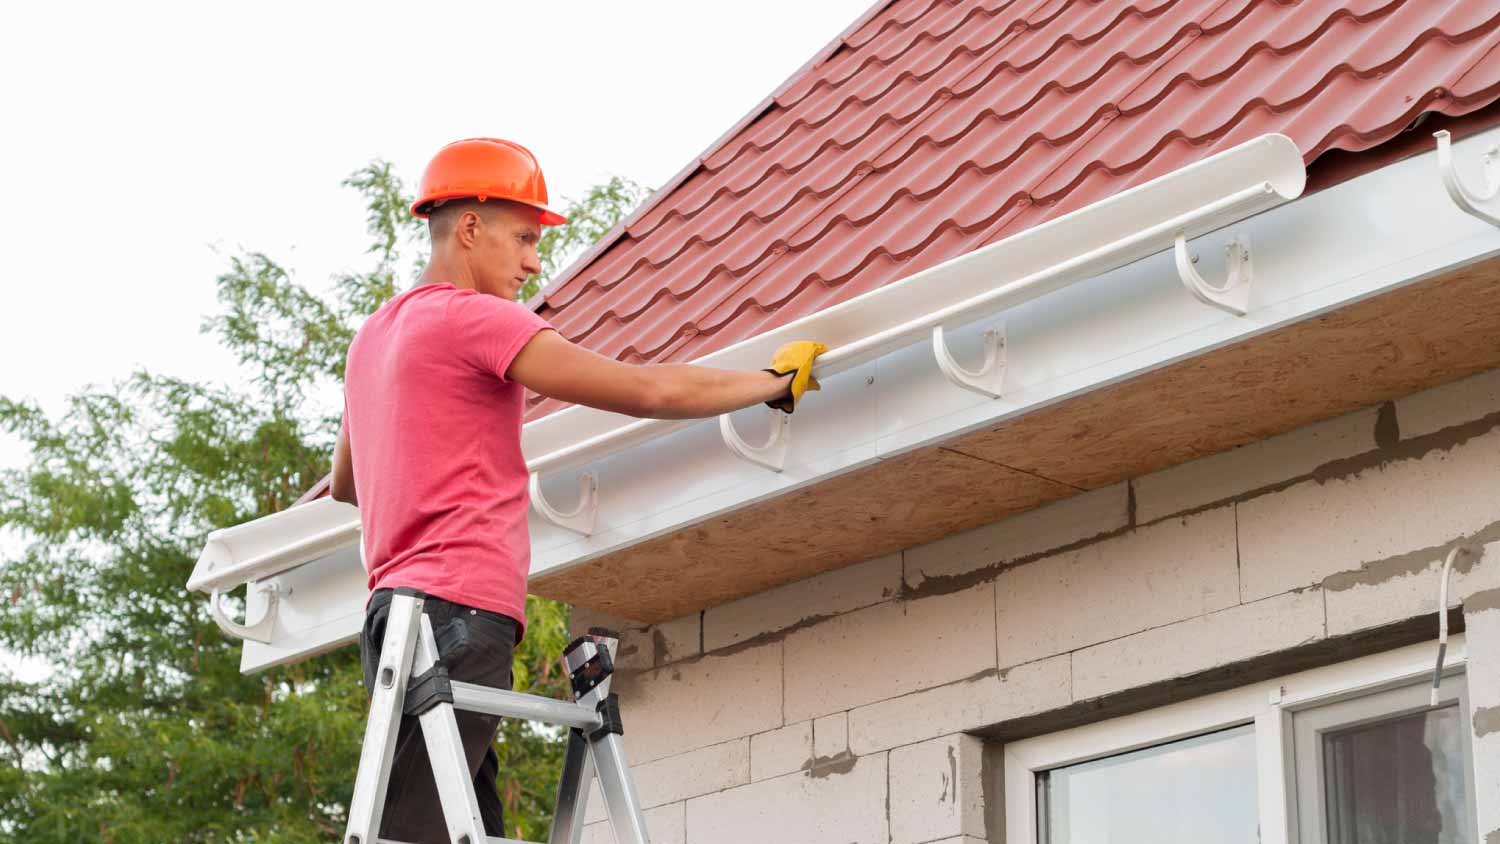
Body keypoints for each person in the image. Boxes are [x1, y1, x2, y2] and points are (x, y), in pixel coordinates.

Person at [328, 137, 824, 842]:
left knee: (455, 827)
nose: (534, 261)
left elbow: (347, 483)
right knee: (409, 836)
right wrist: (770, 385)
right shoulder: (476, 320)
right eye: (525, 237)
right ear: (470, 227)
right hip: (463, 613)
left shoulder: (372, 337)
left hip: (393, 623)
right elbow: (645, 387)